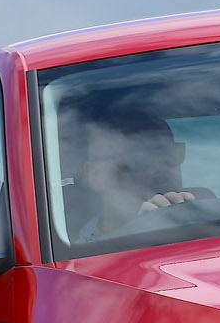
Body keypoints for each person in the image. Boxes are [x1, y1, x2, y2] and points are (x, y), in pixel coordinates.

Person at [73, 101, 194, 242]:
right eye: (137, 159)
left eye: (167, 154)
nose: (158, 169)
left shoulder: (214, 220)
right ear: (95, 176)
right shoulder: (79, 259)